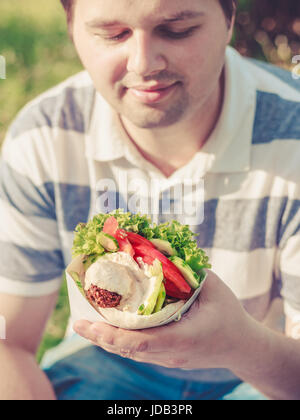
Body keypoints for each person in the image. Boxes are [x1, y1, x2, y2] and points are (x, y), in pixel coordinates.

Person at [0, 0, 300, 401]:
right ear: (71, 29)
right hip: (104, 365)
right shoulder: (43, 138)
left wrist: (238, 343)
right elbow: (8, 342)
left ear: (229, 19)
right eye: (112, 34)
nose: (143, 64)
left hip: (261, 373)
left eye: (177, 30)